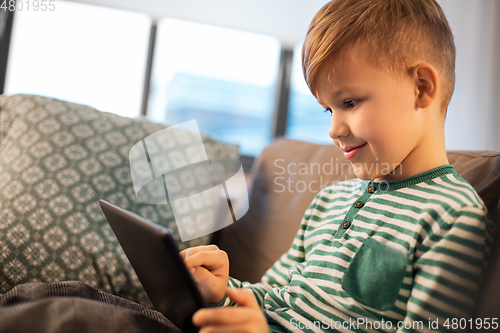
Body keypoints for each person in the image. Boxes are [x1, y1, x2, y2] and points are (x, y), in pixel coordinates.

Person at [182, 0, 493, 332]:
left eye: (350, 102)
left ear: (421, 87)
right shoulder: (328, 202)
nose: (334, 130)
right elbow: (270, 299)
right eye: (329, 110)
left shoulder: (453, 216)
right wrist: (221, 292)